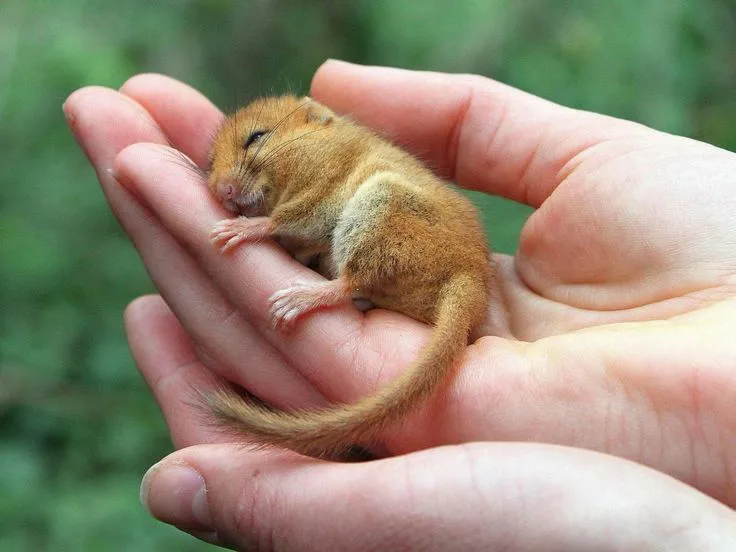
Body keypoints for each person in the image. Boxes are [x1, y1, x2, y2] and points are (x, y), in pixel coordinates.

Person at [64, 60, 736, 550]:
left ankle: (346, 287)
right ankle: (348, 286)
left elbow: (329, 206)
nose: (226, 178)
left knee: (376, 197)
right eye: (218, 168)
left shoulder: (336, 153)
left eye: (255, 144)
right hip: (433, 280)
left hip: (423, 259)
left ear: (314, 122)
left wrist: (273, 230)